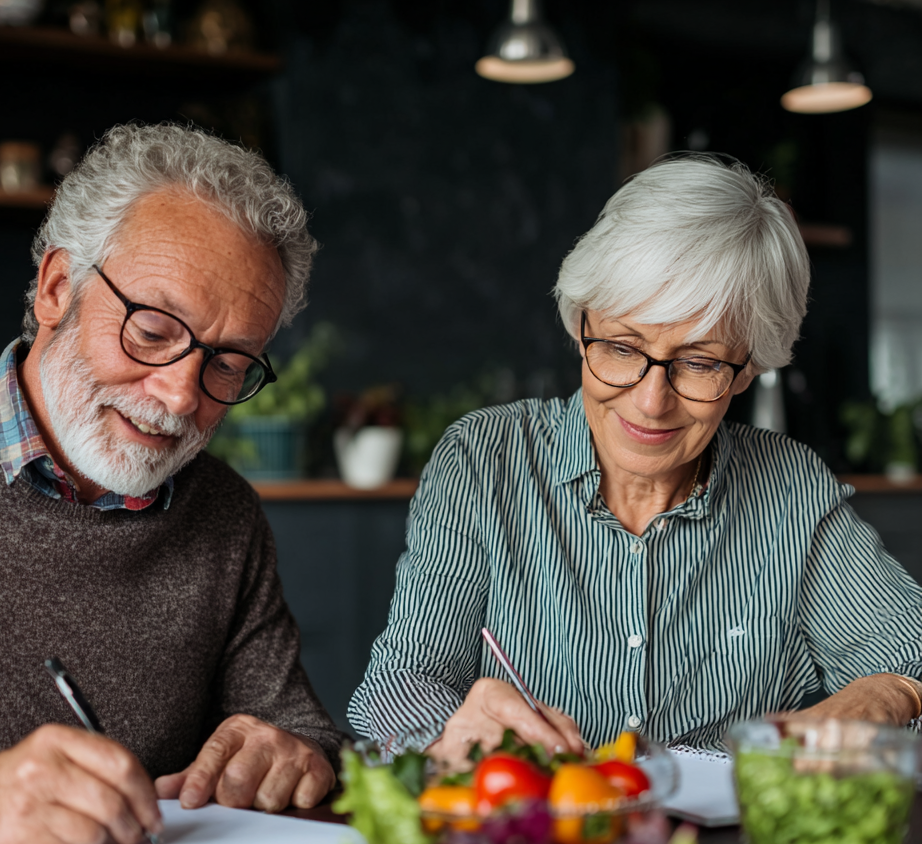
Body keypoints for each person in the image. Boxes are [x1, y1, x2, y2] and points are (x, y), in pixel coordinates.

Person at [349, 154, 922, 763]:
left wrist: (884, 694)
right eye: (623, 347)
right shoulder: (485, 461)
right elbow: (395, 689)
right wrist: (453, 732)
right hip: (537, 838)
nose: (651, 402)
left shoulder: (791, 488)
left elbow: (909, 657)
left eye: (699, 362)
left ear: (749, 368)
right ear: (580, 326)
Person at [0, 123, 343, 844]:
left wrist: (293, 755)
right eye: (153, 329)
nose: (177, 395)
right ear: (56, 289)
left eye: (229, 363)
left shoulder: (225, 515)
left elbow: (295, 727)